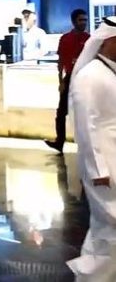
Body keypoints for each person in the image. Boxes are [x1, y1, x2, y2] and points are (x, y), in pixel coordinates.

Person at [67, 16, 116, 280]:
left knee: (107, 232)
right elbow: (86, 126)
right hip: (104, 165)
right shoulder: (89, 76)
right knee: (109, 228)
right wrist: (98, 170)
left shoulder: (109, 72)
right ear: (108, 40)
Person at [46, 8, 89, 154]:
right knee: (61, 112)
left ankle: (87, 143)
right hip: (70, 78)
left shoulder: (89, 39)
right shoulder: (65, 39)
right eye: (81, 20)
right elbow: (60, 62)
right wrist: (61, 81)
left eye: (85, 20)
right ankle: (59, 142)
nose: (83, 23)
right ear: (73, 21)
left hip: (84, 78)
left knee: (84, 112)